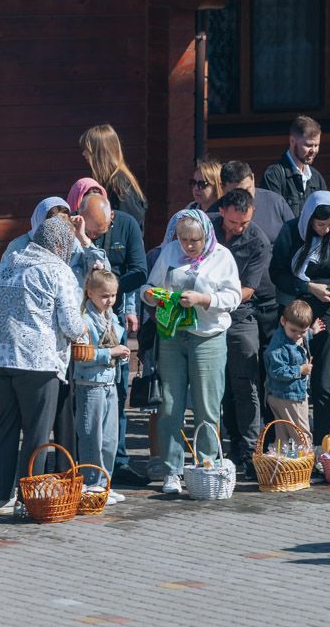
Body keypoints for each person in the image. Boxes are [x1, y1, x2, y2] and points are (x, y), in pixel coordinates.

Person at [0, 217, 87, 516]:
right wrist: (83, 330)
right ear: (61, 245)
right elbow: (71, 324)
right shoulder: (58, 270)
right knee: (37, 432)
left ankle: (2, 498)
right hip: (35, 360)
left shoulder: (8, 262)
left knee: (4, 428)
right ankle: (28, 502)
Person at [143, 209, 242, 495]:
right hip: (173, 335)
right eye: (183, 239)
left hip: (208, 336)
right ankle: (171, 471)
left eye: (194, 240)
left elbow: (234, 296)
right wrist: (150, 295)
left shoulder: (222, 256)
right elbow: (151, 285)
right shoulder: (170, 252)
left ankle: (205, 465)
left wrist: (203, 299)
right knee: (170, 405)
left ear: (207, 236)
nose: (188, 245)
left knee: (206, 405)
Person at [270, 191, 330, 440]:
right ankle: (288, 438)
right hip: (297, 306)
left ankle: (323, 441)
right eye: (320, 225)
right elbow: (277, 273)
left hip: (329, 305)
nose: (326, 230)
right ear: (308, 219)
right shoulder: (291, 232)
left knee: (325, 379)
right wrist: (308, 287)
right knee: (290, 372)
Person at [81, 192, 147, 484]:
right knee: (88, 413)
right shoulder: (77, 231)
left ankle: (114, 466)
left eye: (101, 229)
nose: (95, 236)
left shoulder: (127, 225)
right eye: (92, 230)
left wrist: (112, 293)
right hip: (84, 319)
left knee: (116, 398)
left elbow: (139, 271)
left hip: (114, 317)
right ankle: (88, 473)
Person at [213, 189, 276, 476]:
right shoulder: (207, 228)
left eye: (245, 222)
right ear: (222, 211)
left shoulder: (258, 240)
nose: (239, 228)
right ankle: (229, 444)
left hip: (240, 313)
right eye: (233, 222)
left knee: (245, 382)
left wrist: (214, 299)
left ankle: (251, 450)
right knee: (220, 385)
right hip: (205, 315)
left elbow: (249, 288)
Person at [72, 269, 130, 503]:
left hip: (109, 382)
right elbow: (81, 355)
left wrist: (121, 355)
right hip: (89, 384)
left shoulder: (111, 317)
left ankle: (104, 483)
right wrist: (111, 352)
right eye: (104, 296)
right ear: (90, 293)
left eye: (113, 295)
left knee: (109, 439)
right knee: (91, 437)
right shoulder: (84, 320)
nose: (110, 300)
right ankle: (91, 483)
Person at [262, 300, 318, 446]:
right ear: (283, 321)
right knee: (301, 434)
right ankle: (305, 458)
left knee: (284, 436)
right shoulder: (279, 347)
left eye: (303, 332)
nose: (298, 336)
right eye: (293, 331)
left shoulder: (297, 334)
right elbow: (277, 371)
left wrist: (312, 332)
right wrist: (300, 370)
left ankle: (282, 458)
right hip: (288, 396)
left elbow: (302, 334)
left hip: (287, 394)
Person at [79, 123, 148, 232]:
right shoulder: (108, 180)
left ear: (100, 152)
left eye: (87, 149)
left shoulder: (119, 183)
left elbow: (127, 225)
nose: (83, 154)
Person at [262, 115, 327, 217]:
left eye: (316, 145)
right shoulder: (274, 175)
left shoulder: (317, 178)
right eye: (308, 145)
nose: (313, 150)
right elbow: (271, 218)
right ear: (292, 141)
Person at [220, 160, 295, 248]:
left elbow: (295, 236)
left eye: (247, 189)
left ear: (253, 178)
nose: (244, 197)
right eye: (236, 193)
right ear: (222, 188)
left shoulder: (276, 202)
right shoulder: (213, 215)